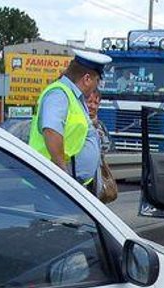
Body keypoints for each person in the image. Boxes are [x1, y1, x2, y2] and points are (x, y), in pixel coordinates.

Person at [29, 50, 112, 194]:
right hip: (53, 184)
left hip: (64, 183)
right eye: (97, 81)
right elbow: (51, 130)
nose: (96, 86)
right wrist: (63, 176)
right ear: (87, 79)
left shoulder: (74, 97)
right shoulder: (59, 94)